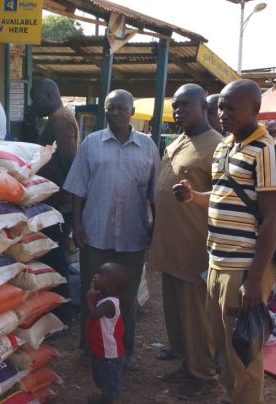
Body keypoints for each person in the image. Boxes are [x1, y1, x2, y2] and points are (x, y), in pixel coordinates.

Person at [173, 79, 276, 404]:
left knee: (242, 353)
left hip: (244, 268)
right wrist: (194, 197)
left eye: (231, 108)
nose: (223, 114)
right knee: (224, 348)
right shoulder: (225, 146)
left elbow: (272, 219)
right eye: (221, 108)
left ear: (255, 109)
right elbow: (223, 196)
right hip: (217, 261)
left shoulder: (268, 152)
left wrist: (254, 280)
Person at [64, 89, 160, 370]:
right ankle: (89, 348)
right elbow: (77, 189)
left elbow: (155, 193)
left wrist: (156, 227)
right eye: (110, 108)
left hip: (132, 234)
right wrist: (77, 224)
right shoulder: (91, 144)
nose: (115, 112)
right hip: (96, 232)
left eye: (120, 108)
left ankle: (125, 350)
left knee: (126, 297)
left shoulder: (148, 147)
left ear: (132, 112)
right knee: (93, 291)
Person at [148, 84, 221, 400]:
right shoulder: (178, 141)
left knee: (196, 318)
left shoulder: (217, 146)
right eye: (175, 106)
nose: (178, 111)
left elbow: (225, 197)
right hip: (170, 247)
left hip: (195, 250)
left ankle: (204, 377)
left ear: (204, 107)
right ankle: (186, 363)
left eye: (185, 106)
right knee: (176, 314)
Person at [30, 78, 79, 322]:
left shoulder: (60, 119)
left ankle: (62, 312)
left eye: (36, 99)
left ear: (49, 96)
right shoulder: (58, 117)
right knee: (54, 254)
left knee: (54, 256)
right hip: (57, 199)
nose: (34, 105)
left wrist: (68, 197)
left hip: (58, 202)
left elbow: (70, 160)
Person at [86, 262, 127, 404]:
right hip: (100, 350)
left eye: (99, 275)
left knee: (109, 380)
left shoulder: (109, 303)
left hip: (109, 354)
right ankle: (105, 397)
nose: (95, 276)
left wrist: (88, 298)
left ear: (111, 287)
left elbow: (93, 314)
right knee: (102, 378)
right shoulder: (103, 295)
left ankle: (108, 400)